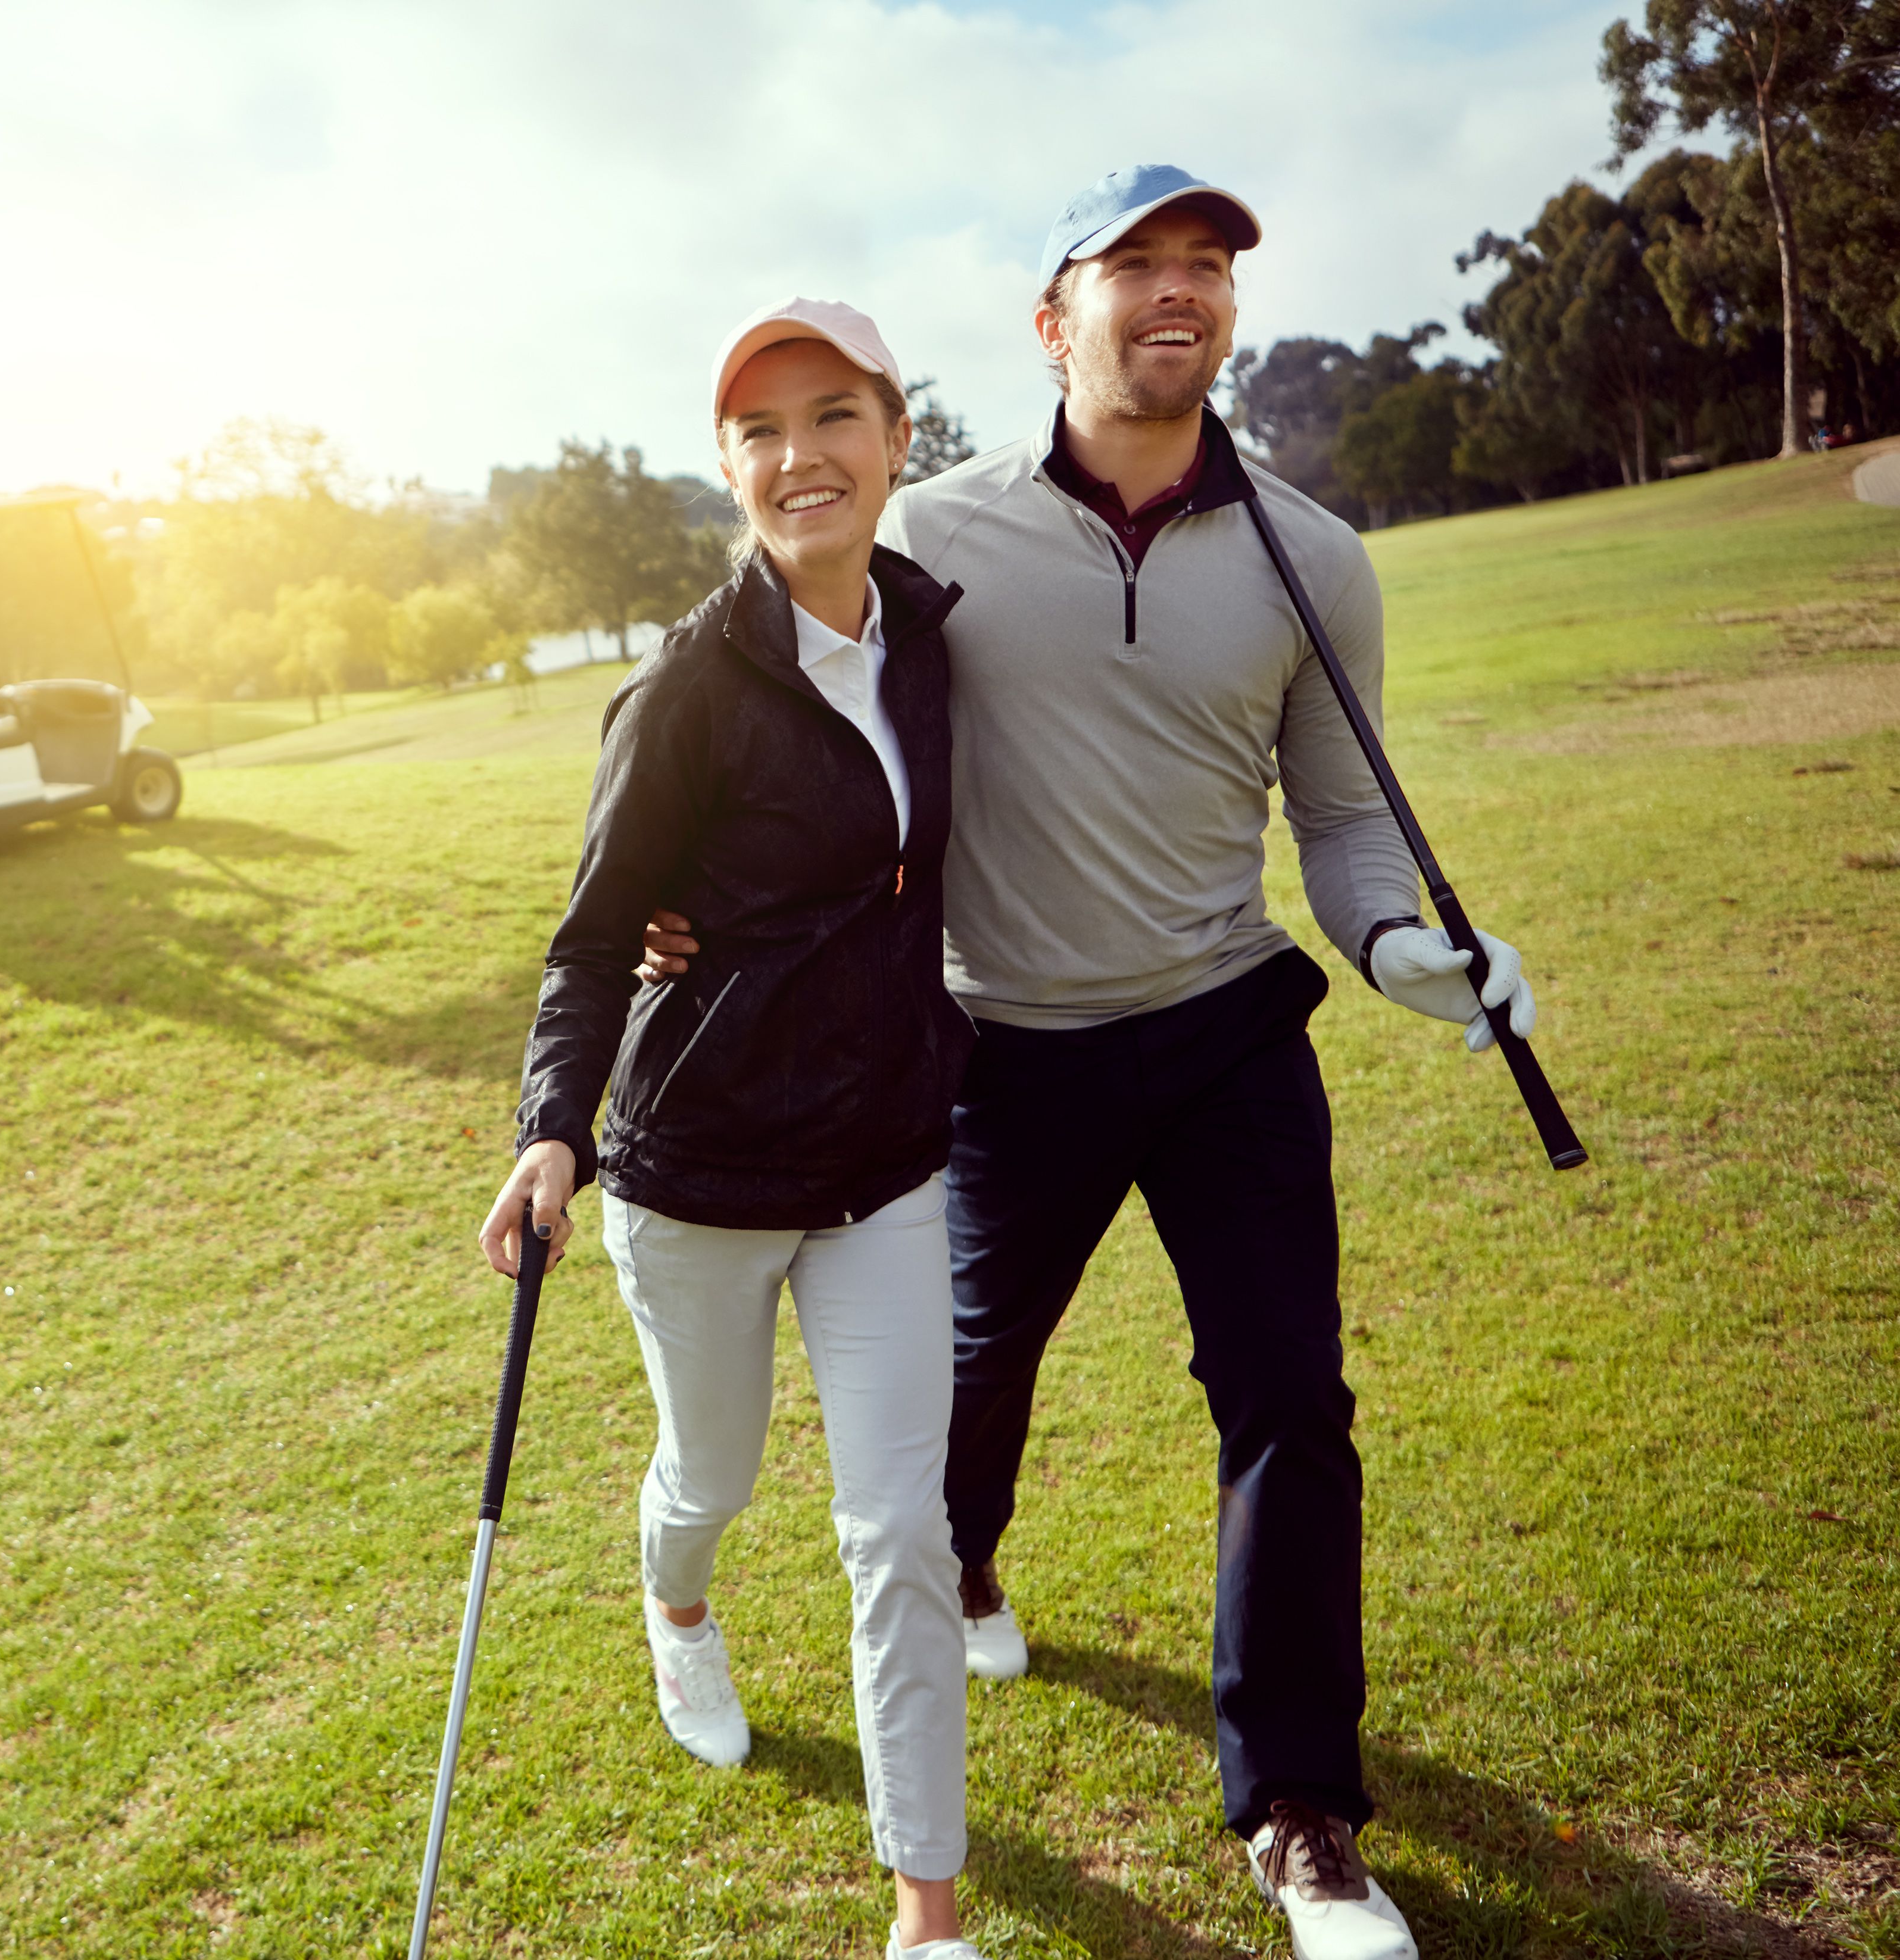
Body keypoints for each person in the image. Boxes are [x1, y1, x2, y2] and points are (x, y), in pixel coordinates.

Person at [640, 168, 1543, 1960]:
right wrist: (682, 903)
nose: (1174, 291)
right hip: (994, 1047)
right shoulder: (935, 540)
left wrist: (1405, 953)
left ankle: (1300, 1814)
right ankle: (967, 1560)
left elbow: (1346, 822)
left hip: (1222, 1027)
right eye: (1131, 265)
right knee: (971, 1373)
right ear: (1051, 323)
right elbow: (780, 709)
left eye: (1202, 264)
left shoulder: (1312, 556)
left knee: (1288, 1399)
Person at [479, 297, 985, 1960]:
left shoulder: (930, 635)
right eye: (760, 430)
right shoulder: (682, 691)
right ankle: (676, 1605)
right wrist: (555, 1128)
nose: (798, 455)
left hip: (886, 1167)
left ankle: (924, 1912)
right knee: (709, 1472)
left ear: (896, 436)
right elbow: (587, 937)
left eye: (832, 415)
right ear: (728, 466)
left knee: (896, 1526)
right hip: (695, 1177)